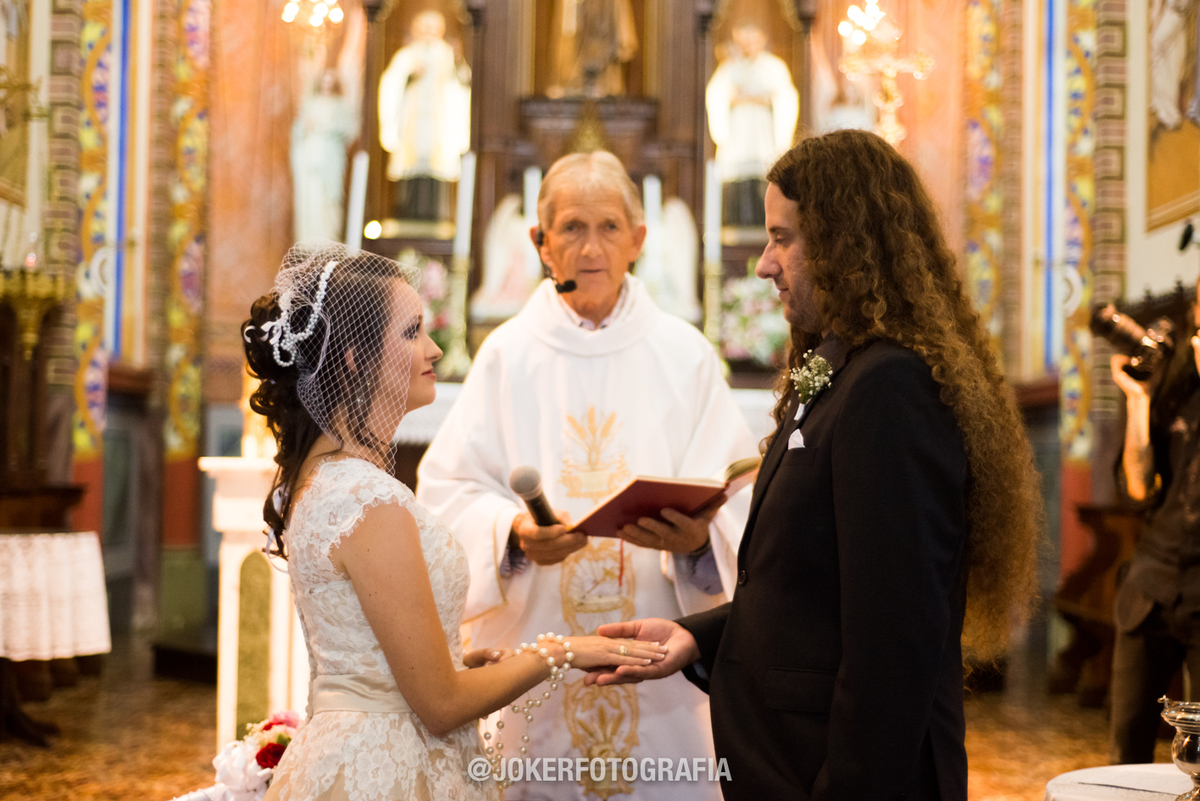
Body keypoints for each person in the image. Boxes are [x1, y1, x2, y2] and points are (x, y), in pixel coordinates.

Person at [587, 130, 1042, 801]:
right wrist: (693, 636)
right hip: (789, 762)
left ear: (847, 242)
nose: (766, 263)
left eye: (783, 237)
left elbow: (892, 644)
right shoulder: (836, 368)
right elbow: (806, 592)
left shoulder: (891, 388)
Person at [240, 243, 666, 801]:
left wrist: (458, 661)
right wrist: (562, 651)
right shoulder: (367, 499)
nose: (434, 348)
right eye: (412, 331)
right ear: (351, 356)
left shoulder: (325, 478)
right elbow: (440, 708)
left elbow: (365, 653)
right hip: (384, 773)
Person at [416, 151, 758, 800]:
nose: (591, 246)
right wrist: (513, 536)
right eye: (571, 227)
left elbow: (735, 502)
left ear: (639, 239)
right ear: (540, 243)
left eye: (608, 227)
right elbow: (446, 495)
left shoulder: (684, 354)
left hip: (659, 676)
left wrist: (696, 546)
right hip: (536, 672)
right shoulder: (507, 357)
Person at [1108, 278, 1200, 764]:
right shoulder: (1176, 381)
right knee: (1128, 749)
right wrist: (1138, 401)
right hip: (1152, 586)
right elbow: (1140, 487)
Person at [378, 10, 470, 219]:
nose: (429, 33)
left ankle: (435, 216)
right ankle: (406, 214)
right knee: (411, 172)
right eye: (425, 28)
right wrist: (409, 76)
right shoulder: (407, 54)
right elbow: (390, 83)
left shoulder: (447, 53)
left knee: (436, 174)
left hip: (439, 124)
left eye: (433, 29)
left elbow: (462, 81)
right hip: (413, 123)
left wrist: (458, 62)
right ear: (417, 30)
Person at [705, 23, 799, 227]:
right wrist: (731, 98)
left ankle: (762, 225)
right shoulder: (729, 67)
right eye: (743, 38)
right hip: (738, 131)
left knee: (763, 177)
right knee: (737, 182)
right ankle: (735, 224)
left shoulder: (774, 66)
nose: (748, 44)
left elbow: (786, 96)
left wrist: (764, 98)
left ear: (763, 39)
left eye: (753, 37)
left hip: (762, 130)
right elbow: (716, 95)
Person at [290, 70, 356, 243]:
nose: (326, 87)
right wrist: (305, 127)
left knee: (330, 200)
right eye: (324, 83)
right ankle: (310, 240)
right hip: (311, 158)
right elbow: (298, 130)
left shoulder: (340, 106)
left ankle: (329, 239)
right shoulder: (310, 104)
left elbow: (349, 130)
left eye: (330, 83)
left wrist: (326, 127)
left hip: (330, 158)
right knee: (312, 199)